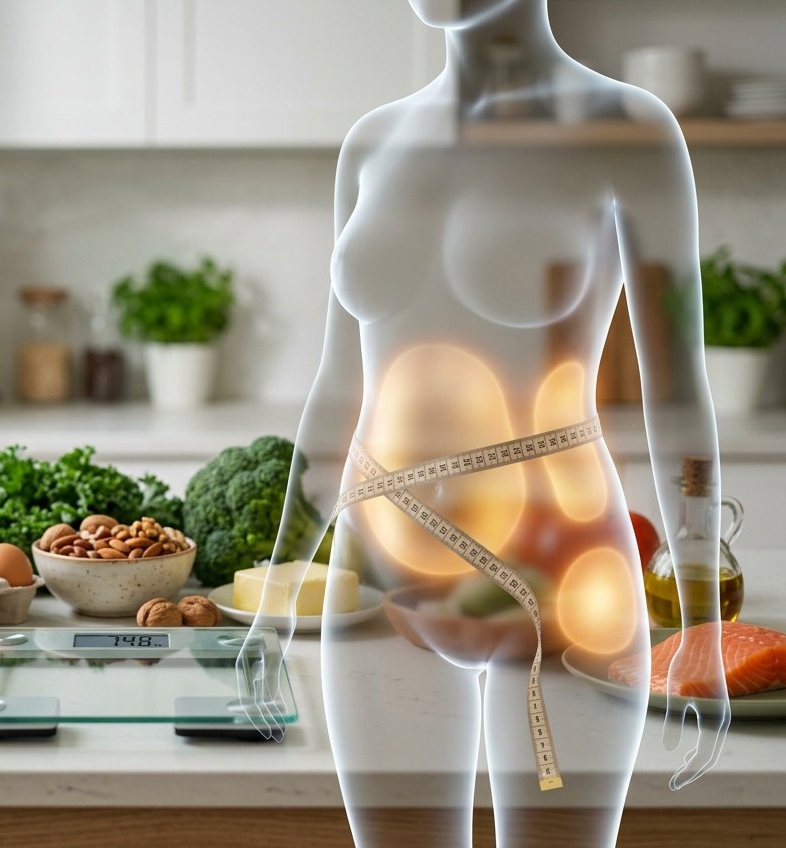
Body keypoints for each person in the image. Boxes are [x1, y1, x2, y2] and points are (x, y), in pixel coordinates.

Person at [238, 1, 730, 845]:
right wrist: (272, 602)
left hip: (560, 576)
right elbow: (337, 384)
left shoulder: (631, 131)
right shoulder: (372, 142)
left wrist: (704, 640)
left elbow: (677, 387)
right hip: (375, 579)